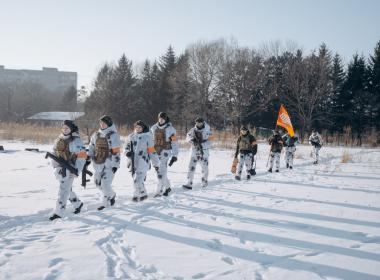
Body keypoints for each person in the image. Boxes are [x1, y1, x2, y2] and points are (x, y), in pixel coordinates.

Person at [49, 120, 87, 220]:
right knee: (67, 188)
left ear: (71, 129)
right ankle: (78, 204)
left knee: (63, 190)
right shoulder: (59, 139)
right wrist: (54, 164)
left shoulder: (76, 141)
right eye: (63, 128)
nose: (65, 130)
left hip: (70, 169)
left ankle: (58, 213)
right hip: (59, 168)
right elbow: (54, 151)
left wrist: (77, 170)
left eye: (67, 128)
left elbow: (82, 157)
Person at [88, 115, 121, 210]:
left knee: (105, 184)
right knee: (97, 183)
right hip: (98, 163)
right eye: (101, 123)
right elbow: (91, 147)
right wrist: (88, 157)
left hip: (109, 164)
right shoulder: (96, 135)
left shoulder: (114, 135)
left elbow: (116, 152)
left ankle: (105, 204)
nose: (102, 125)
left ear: (109, 124)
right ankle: (112, 194)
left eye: (104, 123)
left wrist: (115, 165)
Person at [125, 120, 161, 202]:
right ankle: (143, 193)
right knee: (136, 179)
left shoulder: (147, 137)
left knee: (137, 180)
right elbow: (126, 147)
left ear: (143, 128)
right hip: (133, 162)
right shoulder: (131, 136)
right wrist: (127, 152)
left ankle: (136, 195)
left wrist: (156, 164)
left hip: (143, 162)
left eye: (139, 127)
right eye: (136, 127)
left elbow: (152, 151)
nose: (138, 129)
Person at [151, 112, 179, 197]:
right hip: (155, 152)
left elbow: (175, 142)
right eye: (160, 118)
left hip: (165, 152)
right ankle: (168, 188)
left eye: (163, 118)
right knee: (158, 171)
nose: (161, 120)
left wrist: (175, 155)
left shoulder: (171, 129)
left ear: (166, 119)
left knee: (161, 172)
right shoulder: (153, 128)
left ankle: (159, 191)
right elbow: (150, 141)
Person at [183, 117, 213, 189]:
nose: (198, 124)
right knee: (191, 167)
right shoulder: (192, 130)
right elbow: (187, 138)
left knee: (204, 168)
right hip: (194, 152)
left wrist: (201, 145)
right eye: (197, 122)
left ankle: (204, 182)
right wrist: (192, 141)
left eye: (200, 122)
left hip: (204, 153)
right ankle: (189, 183)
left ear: (203, 123)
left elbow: (210, 142)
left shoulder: (208, 131)